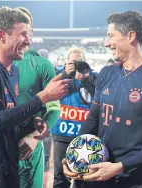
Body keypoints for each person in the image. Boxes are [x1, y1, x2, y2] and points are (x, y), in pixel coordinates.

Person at [62, 11, 142, 188]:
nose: (107, 42)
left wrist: (119, 167)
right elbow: (93, 120)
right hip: (96, 172)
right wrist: (73, 154)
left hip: (132, 178)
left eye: (110, 36)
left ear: (130, 36)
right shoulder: (106, 73)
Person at [0, 7, 69, 188]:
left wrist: (33, 119)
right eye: (22, 34)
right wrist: (42, 97)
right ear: (2, 36)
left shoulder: (12, 71)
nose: (29, 41)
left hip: (8, 167)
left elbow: (8, 112)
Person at [13, 7, 60, 188]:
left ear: (31, 32)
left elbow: (54, 109)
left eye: (25, 29)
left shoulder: (42, 65)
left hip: (28, 149)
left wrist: (35, 137)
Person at [51, 48, 97, 188]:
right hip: (62, 133)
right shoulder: (59, 74)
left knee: (84, 178)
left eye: (79, 62)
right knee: (60, 177)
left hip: (84, 136)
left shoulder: (93, 76)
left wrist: (85, 79)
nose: (76, 65)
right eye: (73, 62)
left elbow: (99, 95)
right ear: (66, 62)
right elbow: (49, 90)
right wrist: (66, 73)